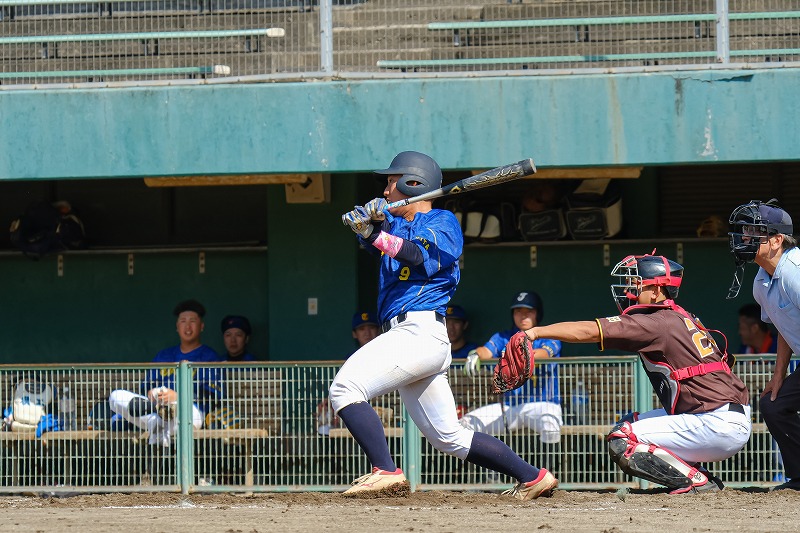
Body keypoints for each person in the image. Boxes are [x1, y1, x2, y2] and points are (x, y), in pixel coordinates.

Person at [334, 150, 557, 499]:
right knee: (448, 437)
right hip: (409, 336)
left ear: (414, 183)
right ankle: (532, 477)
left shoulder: (443, 222)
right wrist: (367, 226)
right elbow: (380, 244)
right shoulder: (396, 223)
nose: (386, 190)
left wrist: (374, 233)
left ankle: (385, 470)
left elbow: (415, 254)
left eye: (392, 182)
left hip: (419, 332)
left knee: (345, 388)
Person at [508, 253, 751, 494]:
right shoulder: (682, 316)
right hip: (719, 414)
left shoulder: (657, 321)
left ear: (656, 291)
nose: (627, 292)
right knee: (630, 422)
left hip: (714, 422)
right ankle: (698, 474)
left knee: (622, 438)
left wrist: (535, 333)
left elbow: (589, 331)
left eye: (636, 285)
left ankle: (696, 480)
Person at [728, 199, 800, 490]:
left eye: (753, 232)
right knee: (774, 404)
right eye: (744, 231)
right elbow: (784, 327)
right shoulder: (761, 281)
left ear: (777, 240)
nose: (744, 238)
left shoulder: (794, 271)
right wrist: (778, 376)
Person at [108, 299, 224, 447]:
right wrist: (152, 393)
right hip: (155, 410)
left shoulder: (209, 357)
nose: (187, 326)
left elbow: (212, 396)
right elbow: (145, 388)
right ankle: (160, 417)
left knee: (165, 417)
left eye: (192, 321)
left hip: (189, 413)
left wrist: (178, 397)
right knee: (116, 397)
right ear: (177, 326)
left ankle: (160, 422)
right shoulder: (164, 355)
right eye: (183, 321)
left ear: (201, 326)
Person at [461, 292, 563, 446]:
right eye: (518, 311)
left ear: (538, 313)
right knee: (467, 423)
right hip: (510, 407)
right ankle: (486, 463)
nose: (523, 315)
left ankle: (549, 462)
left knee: (551, 426)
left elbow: (544, 353)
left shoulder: (549, 335)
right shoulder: (503, 337)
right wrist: (476, 354)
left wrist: (517, 357)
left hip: (542, 405)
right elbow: (486, 351)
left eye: (529, 311)